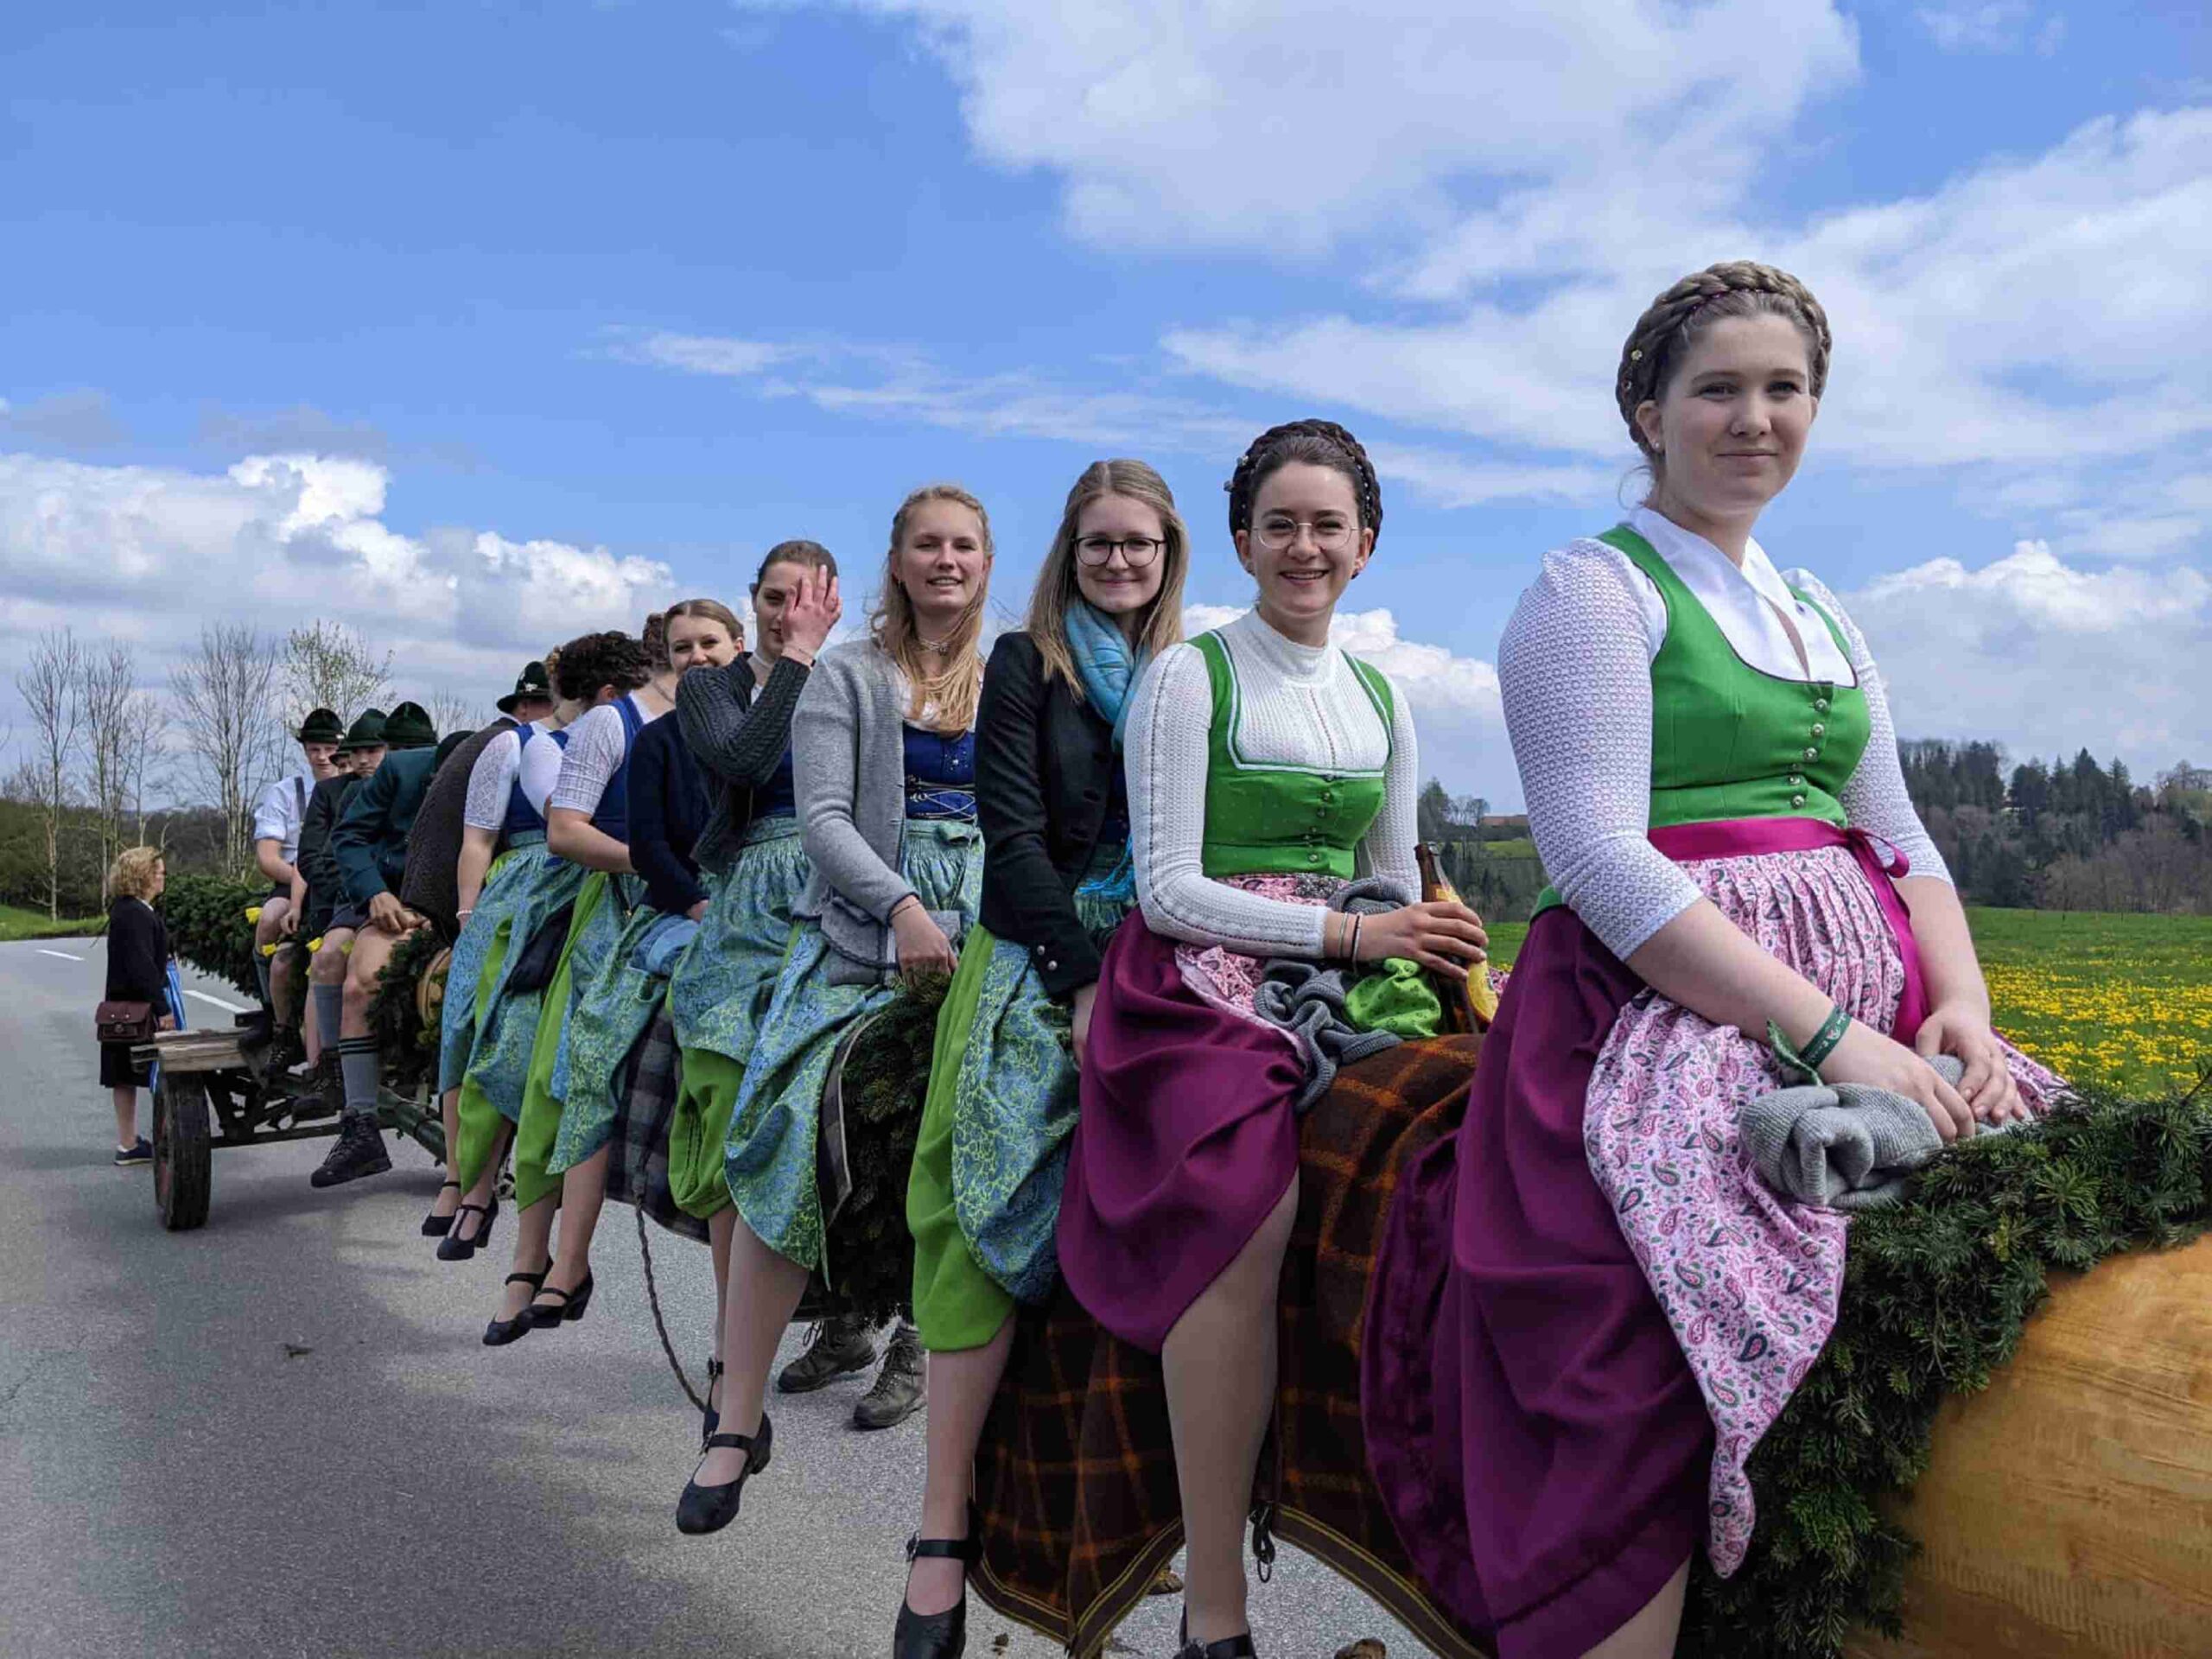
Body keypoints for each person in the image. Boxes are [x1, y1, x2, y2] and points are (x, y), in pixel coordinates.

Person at [1360, 264, 2068, 1659]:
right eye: (1719, 390)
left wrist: (1966, 1009)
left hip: (1882, 1012)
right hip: (1655, 1011)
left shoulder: (1822, 611)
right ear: (1649, 414)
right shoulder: (1591, 592)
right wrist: (1830, 1039)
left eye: (1785, 390)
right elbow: (1599, 858)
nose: (1756, 419)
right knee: (1646, 1321)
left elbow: (1901, 836)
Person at [1055, 421, 1488, 1659]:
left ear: (1367, 545)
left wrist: (1442, 948)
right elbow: (1167, 890)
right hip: (1199, 978)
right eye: (1280, 526)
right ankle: (1214, 1607)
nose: (1306, 548)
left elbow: (1392, 873)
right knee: (1246, 1202)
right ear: (1242, 543)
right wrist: (1348, 936)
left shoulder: (1382, 695)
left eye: (1328, 526)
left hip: (1357, 964)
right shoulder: (1192, 676)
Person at [894, 460, 1190, 1657]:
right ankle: (940, 1526)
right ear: (1069, 555)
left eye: (1139, 545)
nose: (1118, 562)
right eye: (1098, 544)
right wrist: (1076, 980)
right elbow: (1010, 835)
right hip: (1038, 941)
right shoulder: (1028, 663)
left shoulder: (1192, 674)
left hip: (1169, 936)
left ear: (1168, 557)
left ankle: (1164, 1503)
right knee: (990, 1195)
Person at [676, 484, 993, 1535]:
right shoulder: (849, 674)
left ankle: (942, 1363)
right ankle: (735, 1414)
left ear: (986, 563)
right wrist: (901, 907)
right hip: (869, 916)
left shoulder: (1015, 675)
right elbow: (820, 819)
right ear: (895, 563)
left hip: (993, 914)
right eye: (926, 545)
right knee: (781, 1118)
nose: (945, 561)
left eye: (963, 545)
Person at [667, 546, 841, 1448]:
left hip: (840, 888)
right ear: (755, 603)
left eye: (805, 600)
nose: (787, 612)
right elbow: (744, 757)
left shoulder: (857, 676)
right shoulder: (713, 686)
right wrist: (798, 657)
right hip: (749, 901)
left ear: (835, 601)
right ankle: (734, 1356)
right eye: (775, 599)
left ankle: (864, 1320)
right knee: (739, 1107)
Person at [485, 625, 671, 1338]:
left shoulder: (732, 717)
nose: (695, 659)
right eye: (681, 646)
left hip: (710, 905)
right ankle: (539, 1258)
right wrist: (653, 862)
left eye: (711, 646)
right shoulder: (605, 725)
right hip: (615, 905)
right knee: (554, 1070)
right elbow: (563, 830)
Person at [452, 637, 645, 1305]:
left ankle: (547, 1248)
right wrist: (467, 913)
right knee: (501, 1023)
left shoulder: (672, 729)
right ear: (610, 696)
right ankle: (471, 1189)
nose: (537, 707)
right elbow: (547, 823)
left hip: (632, 890)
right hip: (560, 890)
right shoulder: (534, 746)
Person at [401, 656, 556, 1236]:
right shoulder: (509, 747)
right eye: (542, 700)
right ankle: (460, 1174)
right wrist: (468, 913)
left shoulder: (610, 736)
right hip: (514, 889)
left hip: (588, 885)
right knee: (466, 1014)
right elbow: (477, 840)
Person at [309, 700, 442, 1188]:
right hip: (393, 902)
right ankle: (360, 1122)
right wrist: (376, 894)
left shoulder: (513, 758)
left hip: (470, 904)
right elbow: (346, 840)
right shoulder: (400, 772)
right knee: (355, 981)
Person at [296, 710, 388, 1086]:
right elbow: (313, 859)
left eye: (373, 751)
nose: (363, 760)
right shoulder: (336, 793)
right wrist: (361, 889)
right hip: (342, 901)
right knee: (326, 957)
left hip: (401, 899)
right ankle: (327, 1063)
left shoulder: (412, 787)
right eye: (357, 752)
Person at [252, 707, 345, 1060]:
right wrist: (303, 880)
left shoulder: (355, 787)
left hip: (341, 881)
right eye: (314, 750)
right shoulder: (286, 792)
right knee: (268, 919)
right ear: (304, 751)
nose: (322, 757)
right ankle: (274, 1019)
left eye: (329, 749)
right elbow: (267, 857)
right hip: (293, 875)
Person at [99, 846, 176, 1166]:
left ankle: (129, 1142)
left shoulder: (131, 910)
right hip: (134, 1009)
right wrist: (163, 1008)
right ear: (143, 876)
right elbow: (141, 965)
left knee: (125, 1075)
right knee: (135, 1072)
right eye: (158, 872)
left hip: (126, 1007)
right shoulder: (134, 913)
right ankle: (130, 1143)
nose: (163, 876)